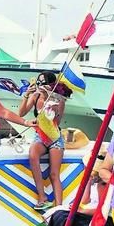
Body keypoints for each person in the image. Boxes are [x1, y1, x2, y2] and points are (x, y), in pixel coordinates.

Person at [18, 72, 72, 210]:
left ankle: (59, 207)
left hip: (54, 136)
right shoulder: (35, 96)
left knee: (54, 173)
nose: (40, 86)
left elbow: (56, 121)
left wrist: (50, 104)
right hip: (40, 135)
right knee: (33, 155)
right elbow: (21, 113)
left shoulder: (58, 99)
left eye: (44, 83)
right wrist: (27, 95)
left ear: (51, 85)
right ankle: (42, 197)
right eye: (39, 83)